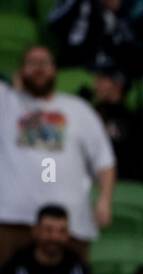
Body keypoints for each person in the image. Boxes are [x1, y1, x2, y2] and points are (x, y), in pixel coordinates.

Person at [0, 46, 116, 262]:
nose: (39, 69)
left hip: (70, 223)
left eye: (44, 63)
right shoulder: (6, 102)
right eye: (32, 63)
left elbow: (104, 161)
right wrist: (9, 83)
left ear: (55, 70)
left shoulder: (79, 109)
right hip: (12, 218)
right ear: (20, 71)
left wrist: (105, 199)